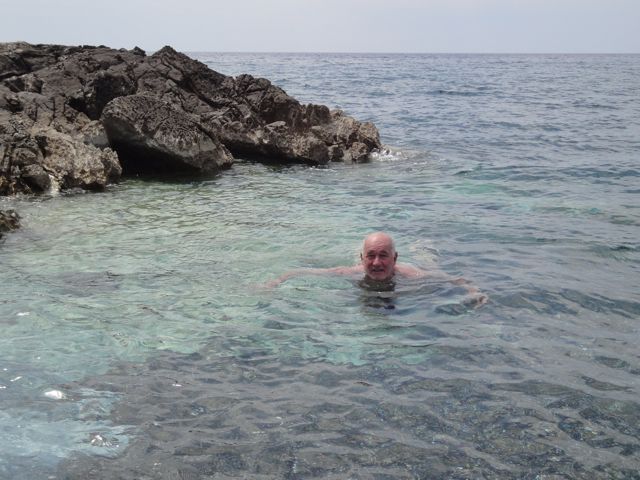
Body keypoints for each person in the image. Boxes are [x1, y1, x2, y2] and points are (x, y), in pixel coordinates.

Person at [266, 232, 488, 307]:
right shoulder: (349, 272)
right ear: (362, 260)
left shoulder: (411, 275)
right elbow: (300, 272)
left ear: (395, 258)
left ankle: (422, 247)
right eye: (370, 256)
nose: (376, 263)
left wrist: (474, 292)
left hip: (416, 267)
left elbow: (456, 279)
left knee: (429, 262)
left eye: (383, 256)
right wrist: (275, 283)